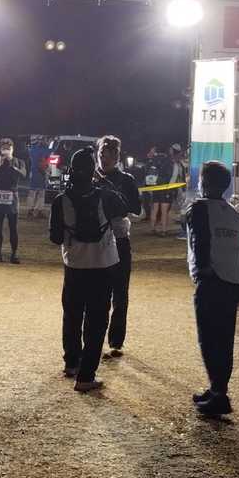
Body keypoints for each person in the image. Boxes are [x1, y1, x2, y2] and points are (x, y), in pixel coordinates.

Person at [49, 148, 128, 393]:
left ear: (71, 170)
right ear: (93, 170)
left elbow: (55, 237)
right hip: (103, 265)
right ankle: (86, 375)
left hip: (74, 265)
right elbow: (123, 223)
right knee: (97, 321)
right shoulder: (107, 196)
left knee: (72, 315)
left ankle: (72, 362)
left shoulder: (61, 200)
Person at [183, 159, 239, 418]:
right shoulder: (236, 216)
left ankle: (219, 395)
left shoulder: (198, 209)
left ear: (204, 182)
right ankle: (217, 388)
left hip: (210, 281)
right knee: (224, 338)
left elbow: (199, 240)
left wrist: (203, 269)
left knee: (209, 338)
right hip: (231, 282)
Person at [95, 135, 142, 357]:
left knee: (120, 292)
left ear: (117, 156)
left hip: (119, 239)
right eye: (101, 153)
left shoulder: (126, 179)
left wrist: (111, 192)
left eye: (109, 154)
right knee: (98, 293)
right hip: (95, 241)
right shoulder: (89, 176)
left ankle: (116, 340)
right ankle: (95, 338)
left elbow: (136, 208)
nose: (104, 158)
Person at [0, 139, 25, 262]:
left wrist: (13, 167)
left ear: (13, 149)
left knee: (13, 227)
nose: (6, 150)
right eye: (4, 148)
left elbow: (23, 175)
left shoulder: (19, 162)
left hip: (12, 196)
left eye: (8, 148)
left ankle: (14, 254)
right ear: (0, 149)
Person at [26, 136, 49, 218]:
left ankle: (33, 210)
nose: (46, 141)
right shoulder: (40, 149)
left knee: (36, 192)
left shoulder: (32, 149)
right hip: (39, 172)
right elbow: (51, 151)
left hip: (36, 172)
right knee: (39, 192)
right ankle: (36, 210)